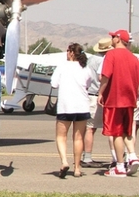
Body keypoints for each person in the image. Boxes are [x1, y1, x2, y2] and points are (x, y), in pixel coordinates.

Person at [99, 30, 139, 177]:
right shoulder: (134, 58)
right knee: (127, 131)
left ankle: (120, 166)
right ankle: (132, 155)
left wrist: (101, 93)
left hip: (115, 99)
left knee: (116, 133)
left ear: (118, 39)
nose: (112, 39)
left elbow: (105, 76)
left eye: (113, 37)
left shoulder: (111, 55)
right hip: (130, 99)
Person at [50, 43, 92, 178]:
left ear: (72, 53)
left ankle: (64, 161)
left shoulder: (62, 67)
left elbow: (54, 84)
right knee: (78, 137)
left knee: (61, 136)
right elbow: (88, 84)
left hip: (65, 106)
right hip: (82, 105)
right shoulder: (85, 68)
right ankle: (78, 167)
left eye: (68, 51)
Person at [82, 38, 112, 167]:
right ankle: (87, 157)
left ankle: (87, 155)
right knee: (91, 128)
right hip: (97, 95)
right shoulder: (104, 61)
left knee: (89, 127)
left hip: (90, 94)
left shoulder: (90, 59)